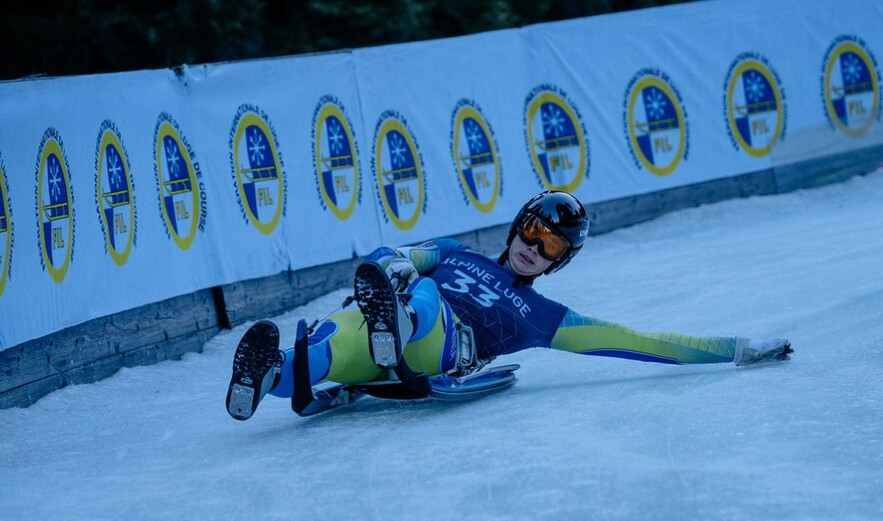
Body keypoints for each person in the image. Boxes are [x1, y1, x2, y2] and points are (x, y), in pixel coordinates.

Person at [226, 190, 792, 420]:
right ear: (515, 227)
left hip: (440, 347)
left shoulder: (544, 317)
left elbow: (641, 343)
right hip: (385, 329)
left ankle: (393, 322)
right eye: (530, 230)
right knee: (325, 345)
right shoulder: (454, 253)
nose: (531, 247)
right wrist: (396, 269)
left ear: (558, 262)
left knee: (420, 294)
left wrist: (735, 349)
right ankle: (270, 375)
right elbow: (389, 254)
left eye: (549, 246)